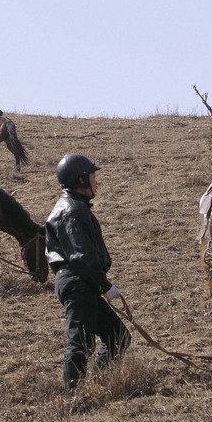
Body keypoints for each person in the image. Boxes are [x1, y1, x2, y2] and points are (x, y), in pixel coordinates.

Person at [45, 153, 130, 391]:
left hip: (81, 281)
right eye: (93, 176)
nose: (97, 181)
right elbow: (82, 257)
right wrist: (105, 285)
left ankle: (102, 383)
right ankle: (73, 397)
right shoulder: (72, 210)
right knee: (80, 344)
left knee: (118, 336)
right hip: (78, 282)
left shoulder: (73, 207)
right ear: (81, 180)